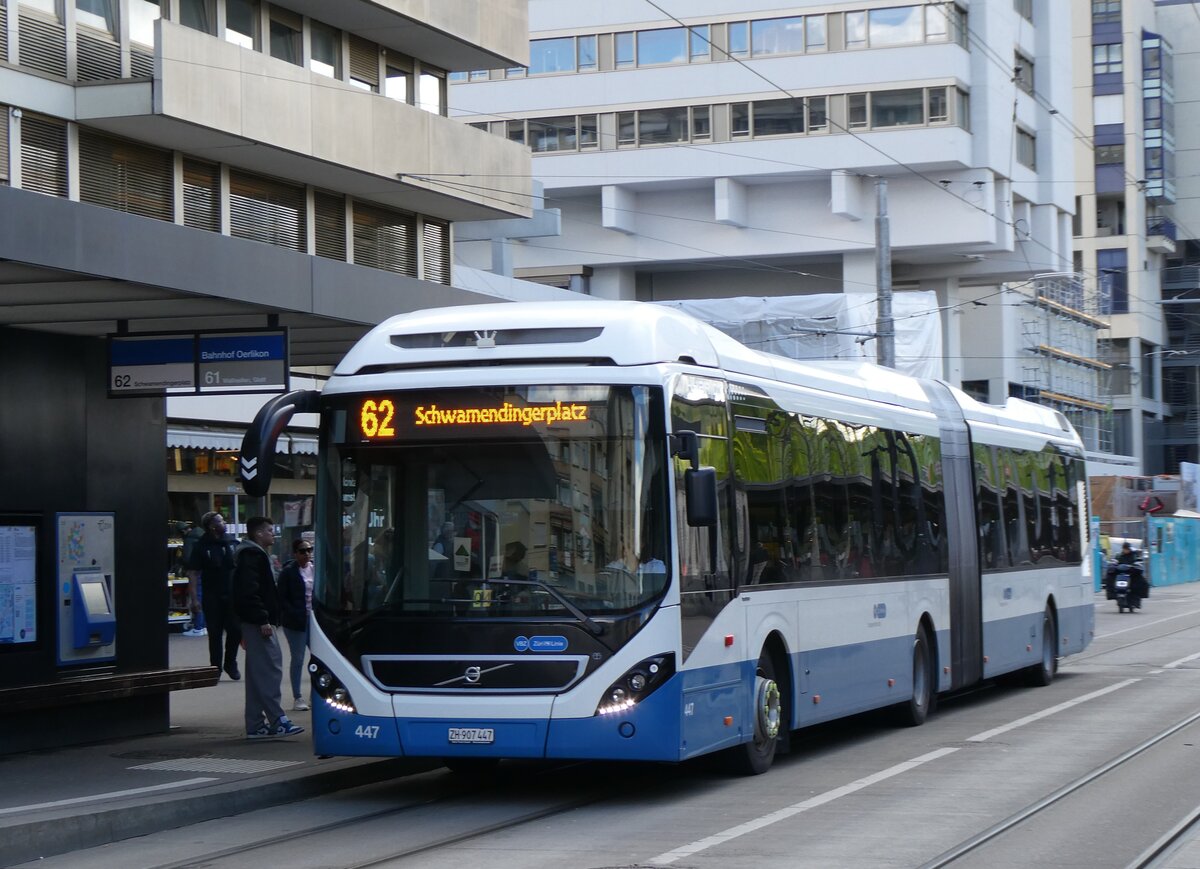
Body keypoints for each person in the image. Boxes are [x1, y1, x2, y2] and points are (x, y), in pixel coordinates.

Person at [233, 516, 304, 740]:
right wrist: (263, 618)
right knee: (270, 669)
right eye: (270, 531)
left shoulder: (249, 554)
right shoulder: (253, 555)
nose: (273, 534)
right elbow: (250, 590)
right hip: (259, 623)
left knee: (257, 674)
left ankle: (255, 724)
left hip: (252, 621)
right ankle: (277, 719)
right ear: (258, 534)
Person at [185, 512, 240, 679]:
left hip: (232, 595)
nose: (224, 522)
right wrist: (194, 599)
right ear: (212, 526)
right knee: (214, 633)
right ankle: (215, 668)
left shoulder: (231, 542)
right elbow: (193, 573)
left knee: (236, 630)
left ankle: (230, 663)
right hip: (212, 595)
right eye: (221, 521)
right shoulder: (201, 546)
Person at [277, 538, 314, 712]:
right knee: (298, 658)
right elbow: (282, 598)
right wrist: (292, 613)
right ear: (295, 554)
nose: (306, 553)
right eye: (302, 550)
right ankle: (297, 697)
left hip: (314, 619)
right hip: (295, 622)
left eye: (309, 550)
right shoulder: (288, 572)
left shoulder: (315, 569)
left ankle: (316, 694)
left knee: (318, 658)